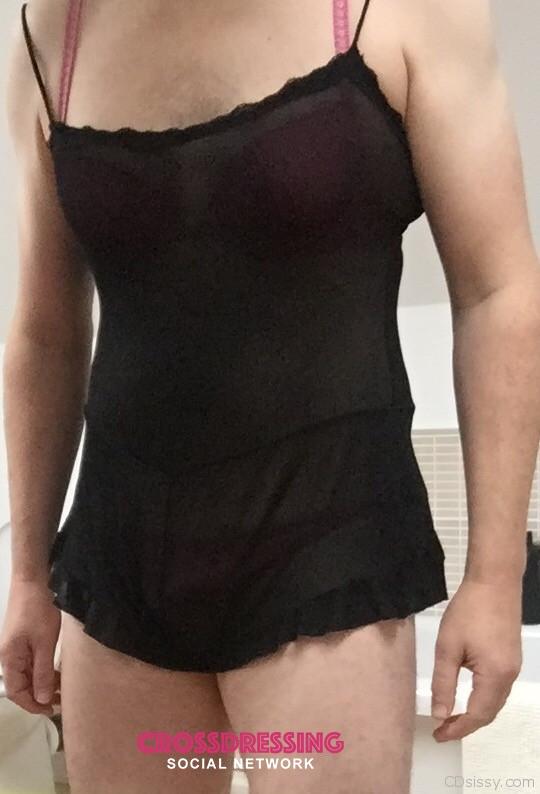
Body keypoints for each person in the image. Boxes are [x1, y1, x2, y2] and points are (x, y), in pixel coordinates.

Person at [1, 0, 539, 792]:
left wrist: (494, 577)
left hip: (329, 549)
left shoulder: (406, 12)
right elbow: (45, 332)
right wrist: (27, 576)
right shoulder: (50, 35)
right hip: (121, 561)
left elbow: (497, 292)